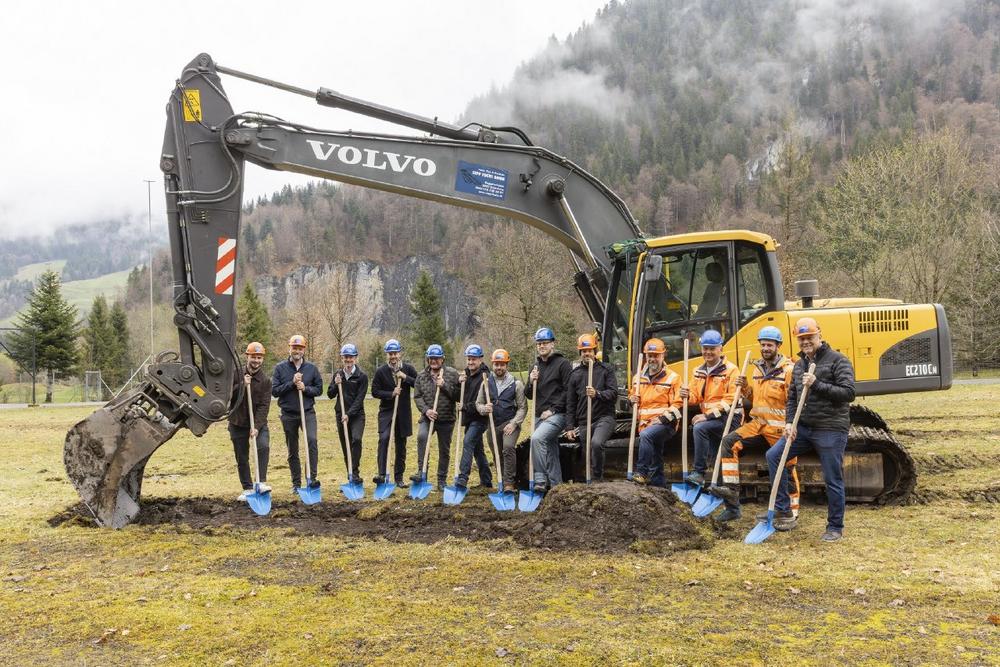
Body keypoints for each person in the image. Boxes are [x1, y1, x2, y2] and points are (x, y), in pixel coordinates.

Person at [765, 317, 856, 542]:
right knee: (774, 455)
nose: (805, 341)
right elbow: (792, 398)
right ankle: (784, 510)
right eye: (801, 338)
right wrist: (789, 423)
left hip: (831, 428)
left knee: (832, 478)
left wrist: (817, 384)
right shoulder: (799, 365)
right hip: (804, 428)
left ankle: (835, 527)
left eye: (809, 337)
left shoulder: (838, 360)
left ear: (819, 335)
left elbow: (848, 393)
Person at [707, 326, 798, 522]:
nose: (765, 348)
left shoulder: (789, 371)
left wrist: (791, 425)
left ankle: (791, 510)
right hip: (758, 424)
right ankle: (731, 491)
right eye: (763, 345)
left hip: (780, 429)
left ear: (778, 346)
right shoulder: (757, 369)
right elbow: (754, 398)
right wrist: (745, 388)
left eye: (769, 345)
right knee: (729, 442)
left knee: (787, 468)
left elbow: (794, 401)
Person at [682, 329, 741, 485]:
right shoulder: (698, 371)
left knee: (699, 428)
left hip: (730, 418)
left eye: (712, 348)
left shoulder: (731, 370)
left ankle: (699, 472)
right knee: (716, 454)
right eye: (705, 348)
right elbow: (695, 397)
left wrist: (706, 416)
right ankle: (719, 487)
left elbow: (730, 400)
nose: (708, 352)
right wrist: (686, 395)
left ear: (720, 349)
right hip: (712, 418)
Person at [271, 334, 323, 491]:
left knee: (312, 441)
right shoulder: (280, 368)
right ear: (290, 348)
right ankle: (296, 483)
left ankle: (311, 479)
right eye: (294, 348)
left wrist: (306, 388)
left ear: (304, 350)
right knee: (292, 449)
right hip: (288, 414)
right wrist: (292, 383)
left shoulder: (312, 369)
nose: (297, 351)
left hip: (307, 412)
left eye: (300, 348)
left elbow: (319, 389)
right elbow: (275, 391)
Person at [564, 333, 618, 482]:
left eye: (589, 350)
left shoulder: (606, 370)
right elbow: (570, 403)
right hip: (584, 421)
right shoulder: (575, 375)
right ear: (580, 353)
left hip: (604, 417)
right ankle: (588, 482)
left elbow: (613, 393)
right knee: (586, 452)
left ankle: (597, 478)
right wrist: (569, 427)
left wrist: (597, 394)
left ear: (595, 351)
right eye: (583, 351)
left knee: (596, 443)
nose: (586, 354)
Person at [526, 327, 573, 493]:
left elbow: (569, 391)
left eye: (545, 343)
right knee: (551, 450)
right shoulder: (535, 366)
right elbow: (528, 394)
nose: (542, 346)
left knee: (536, 439)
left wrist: (553, 410)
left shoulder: (563, 364)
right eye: (539, 343)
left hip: (557, 415)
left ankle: (540, 478)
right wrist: (530, 381)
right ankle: (557, 487)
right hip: (539, 415)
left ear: (552, 344)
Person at [631, 338, 683, 486]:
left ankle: (641, 472)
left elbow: (679, 404)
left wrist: (662, 419)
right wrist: (631, 399)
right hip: (645, 424)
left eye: (656, 355)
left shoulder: (673, 378)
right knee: (655, 455)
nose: (652, 359)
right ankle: (659, 485)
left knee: (646, 436)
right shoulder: (637, 379)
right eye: (650, 355)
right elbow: (632, 396)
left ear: (663, 355)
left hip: (666, 424)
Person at [476, 349, 527, 492]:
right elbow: (478, 403)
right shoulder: (486, 383)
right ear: (493, 365)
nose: (499, 367)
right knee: (497, 455)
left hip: (510, 423)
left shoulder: (516, 384)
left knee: (508, 448)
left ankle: (509, 483)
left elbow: (523, 408)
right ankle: (502, 482)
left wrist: (514, 423)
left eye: (502, 364)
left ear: (506, 365)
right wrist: (484, 408)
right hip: (492, 424)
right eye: (496, 364)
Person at [370, 339, 418, 487]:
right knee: (384, 439)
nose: (393, 356)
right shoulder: (381, 371)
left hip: (403, 413)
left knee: (401, 445)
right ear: (387, 355)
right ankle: (382, 475)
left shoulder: (408, 369)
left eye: (395, 353)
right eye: (390, 354)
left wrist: (405, 378)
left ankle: (399, 477)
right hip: (386, 413)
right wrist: (391, 393)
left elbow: (419, 384)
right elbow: (375, 391)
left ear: (399, 353)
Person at [228, 342, 272, 500]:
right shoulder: (235, 374)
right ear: (247, 356)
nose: (256, 361)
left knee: (263, 446)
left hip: (257, 422)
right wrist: (241, 385)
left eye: (259, 358)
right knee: (242, 455)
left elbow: (264, 406)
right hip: (237, 421)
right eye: (253, 357)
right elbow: (227, 396)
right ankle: (247, 488)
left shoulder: (265, 381)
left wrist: (257, 427)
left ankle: (260, 482)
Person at [412, 344, 460, 488]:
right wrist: (426, 410)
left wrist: (444, 385)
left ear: (442, 359)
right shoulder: (421, 376)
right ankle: (422, 473)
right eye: (431, 358)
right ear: (428, 359)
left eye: (436, 358)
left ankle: (441, 480)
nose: (433, 361)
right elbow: (417, 396)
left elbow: (458, 396)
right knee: (422, 437)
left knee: (444, 450)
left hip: (446, 418)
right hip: (428, 418)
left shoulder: (452, 374)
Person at [452, 344, 495, 491]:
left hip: (480, 418)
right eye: (469, 359)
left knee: (468, 442)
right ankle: (487, 480)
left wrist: (464, 407)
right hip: (469, 418)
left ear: (480, 359)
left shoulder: (485, 377)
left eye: (473, 359)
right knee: (478, 450)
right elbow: (457, 396)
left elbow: (481, 402)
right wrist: (459, 383)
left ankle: (462, 478)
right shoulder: (465, 375)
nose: (470, 362)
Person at [327, 343, 368, 485]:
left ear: (355, 358)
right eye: (346, 357)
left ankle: (355, 472)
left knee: (356, 440)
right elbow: (330, 394)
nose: (348, 360)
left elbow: (359, 399)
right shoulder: (338, 374)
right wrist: (335, 384)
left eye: (351, 357)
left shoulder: (362, 376)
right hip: (341, 415)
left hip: (356, 415)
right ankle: (351, 475)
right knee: (346, 446)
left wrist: (349, 414)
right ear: (342, 358)